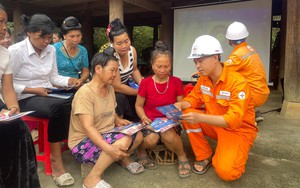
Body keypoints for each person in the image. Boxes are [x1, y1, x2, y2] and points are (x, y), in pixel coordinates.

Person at [8, 14, 79, 186]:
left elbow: (53, 77)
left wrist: (69, 81)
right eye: (42, 37)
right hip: (24, 97)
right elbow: (6, 84)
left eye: (49, 37)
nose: (47, 41)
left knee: (78, 97)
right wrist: (33, 90)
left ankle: (75, 142)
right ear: (29, 33)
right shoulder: (16, 51)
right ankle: (56, 162)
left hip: (47, 93)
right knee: (58, 107)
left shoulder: (51, 50)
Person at [175, 35, 258, 181]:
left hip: (238, 131)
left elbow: (234, 120)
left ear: (215, 57)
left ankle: (232, 150)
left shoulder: (237, 82)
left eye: (200, 61)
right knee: (187, 113)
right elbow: (193, 99)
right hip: (215, 126)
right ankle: (204, 155)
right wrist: (180, 105)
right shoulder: (203, 79)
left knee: (227, 173)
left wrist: (200, 117)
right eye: (195, 62)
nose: (198, 66)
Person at [68, 47, 144, 188]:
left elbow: (109, 109)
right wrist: (108, 148)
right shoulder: (85, 93)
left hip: (106, 133)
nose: (116, 75)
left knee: (138, 134)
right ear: (98, 69)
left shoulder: (109, 88)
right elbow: (88, 127)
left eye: (117, 70)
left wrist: (117, 120)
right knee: (125, 139)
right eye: (112, 70)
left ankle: (120, 159)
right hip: (82, 143)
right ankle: (92, 178)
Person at [135, 41, 191, 177]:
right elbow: (138, 105)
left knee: (167, 134)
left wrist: (174, 116)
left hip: (170, 121)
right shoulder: (146, 82)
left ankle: (182, 156)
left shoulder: (176, 82)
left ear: (171, 65)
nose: (162, 69)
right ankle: (141, 151)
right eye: (159, 66)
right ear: (152, 65)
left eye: (166, 66)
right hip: (150, 122)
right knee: (151, 139)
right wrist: (143, 117)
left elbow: (181, 104)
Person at [0, 4, 40, 187]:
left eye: (4, 22)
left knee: (20, 130)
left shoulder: (4, 54)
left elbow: (7, 88)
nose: (3, 28)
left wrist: (13, 108)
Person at [225, 21, 270, 123]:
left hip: (253, 96)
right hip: (262, 92)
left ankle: (246, 118)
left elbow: (221, 72)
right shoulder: (249, 49)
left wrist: (202, 72)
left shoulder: (237, 55)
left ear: (229, 40)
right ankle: (252, 111)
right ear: (245, 37)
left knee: (222, 88)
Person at [107, 18, 143, 121]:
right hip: (112, 90)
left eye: (126, 41)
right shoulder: (111, 56)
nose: (124, 46)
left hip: (126, 84)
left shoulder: (132, 50)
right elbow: (117, 86)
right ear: (112, 42)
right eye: (119, 44)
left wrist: (143, 85)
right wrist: (140, 92)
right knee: (121, 97)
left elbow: (134, 70)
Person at [53, 16, 90, 89]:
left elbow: (85, 71)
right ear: (64, 36)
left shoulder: (83, 50)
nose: (76, 39)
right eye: (72, 36)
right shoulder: (54, 49)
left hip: (75, 86)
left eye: (78, 36)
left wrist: (81, 80)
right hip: (57, 87)